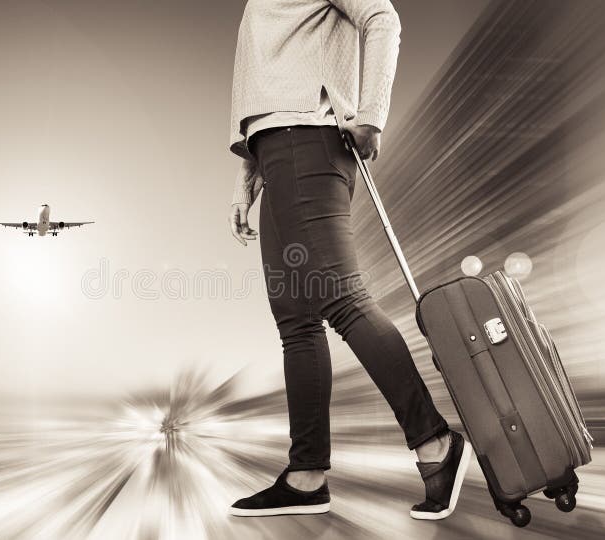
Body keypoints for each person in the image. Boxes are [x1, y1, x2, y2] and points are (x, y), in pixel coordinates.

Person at [226, 0, 471, 520]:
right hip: (276, 154)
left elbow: (382, 17)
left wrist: (372, 115)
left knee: (343, 299)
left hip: (307, 142)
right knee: (296, 320)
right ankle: (306, 474)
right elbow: (263, 82)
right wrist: (248, 178)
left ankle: (435, 443)